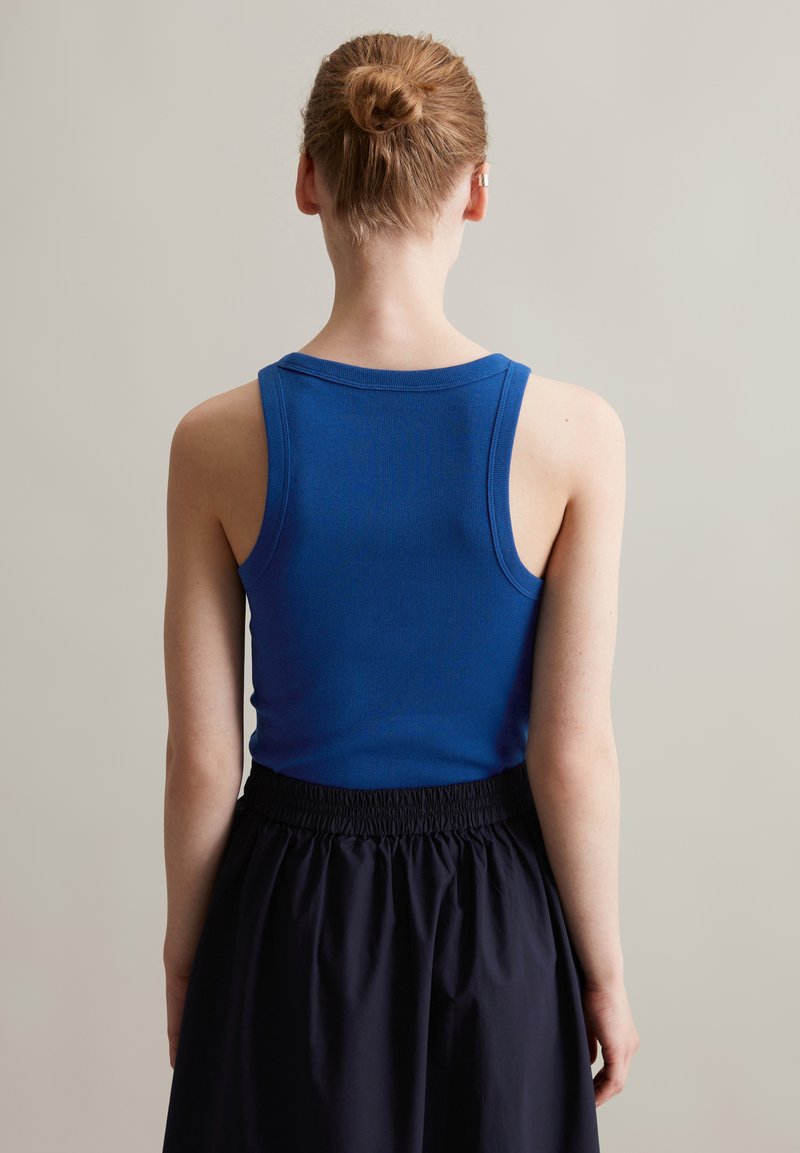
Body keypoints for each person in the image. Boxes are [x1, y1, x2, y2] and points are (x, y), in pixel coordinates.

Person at [161, 30, 639, 1153]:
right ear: (477, 190)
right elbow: (572, 752)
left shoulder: (215, 442)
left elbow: (202, 760)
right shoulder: (575, 435)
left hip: (287, 913)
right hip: (497, 918)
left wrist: (187, 955)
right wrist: (603, 971)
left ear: (307, 179)